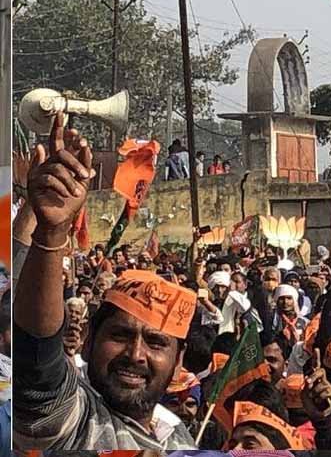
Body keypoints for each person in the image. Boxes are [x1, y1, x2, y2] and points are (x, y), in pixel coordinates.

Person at [14, 115, 197, 449]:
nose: (136, 354)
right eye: (120, 335)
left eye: (156, 342)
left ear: (178, 362)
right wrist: (51, 233)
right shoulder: (73, 419)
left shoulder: (180, 439)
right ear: (87, 342)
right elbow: (37, 364)